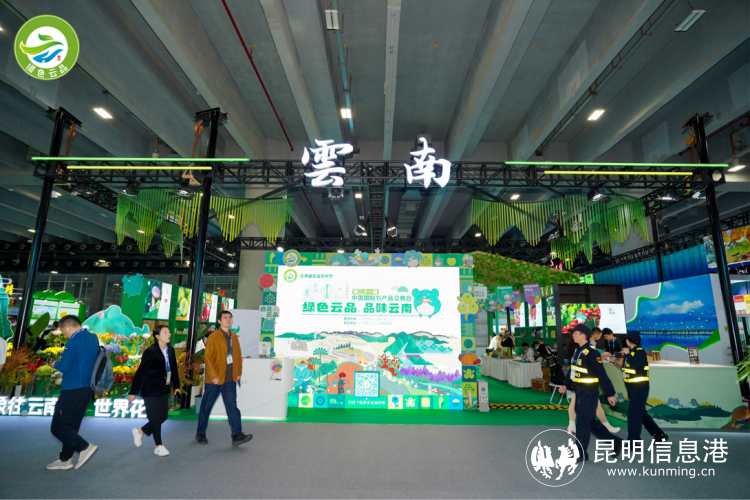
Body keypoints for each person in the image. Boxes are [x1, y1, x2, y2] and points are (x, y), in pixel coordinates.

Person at [559, 324, 622, 461]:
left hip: (589, 392)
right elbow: (573, 370)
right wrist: (566, 384)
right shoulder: (578, 350)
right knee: (590, 421)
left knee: (582, 421)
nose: (573, 335)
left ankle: (580, 453)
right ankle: (615, 442)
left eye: (575, 333)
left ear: (583, 335)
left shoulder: (592, 353)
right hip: (579, 390)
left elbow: (602, 374)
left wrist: (610, 393)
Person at [46, 315, 99, 470]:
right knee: (71, 426)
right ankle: (65, 459)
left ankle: (84, 447)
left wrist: (54, 363)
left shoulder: (73, 341)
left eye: (63, 331)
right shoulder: (92, 338)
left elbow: (65, 366)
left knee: (58, 427)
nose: (64, 334)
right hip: (86, 388)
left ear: (67, 327)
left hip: (72, 389)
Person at [195, 310, 253, 446]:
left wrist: (238, 373)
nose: (228, 319)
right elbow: (208, 358)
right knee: (206, 406)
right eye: (225, 317)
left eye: (230, 317)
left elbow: (237, 356)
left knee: (232, 406)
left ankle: (237, 434)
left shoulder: (234, 336)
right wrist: (213, 376)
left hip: (230, 379)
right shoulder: (213, 337)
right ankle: (200, 433)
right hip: (215, 380)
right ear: (219, 321)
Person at [128, 325, 181, 457]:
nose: (169, 334)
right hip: (150, 389)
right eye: (165, 332)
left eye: (169, 332)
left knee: (163, 416)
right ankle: (158, 446)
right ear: (157, 336)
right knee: (156, 418)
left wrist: (176, 386)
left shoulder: (170, 350)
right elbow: (140, 372)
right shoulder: (151, 351)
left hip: (163, 388)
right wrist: (133, 392)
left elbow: (173, 369)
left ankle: (140, 431)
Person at [613, 331, 668, 446]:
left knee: (633, 415)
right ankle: (660, 435)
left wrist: (628, 354)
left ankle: (634, 441)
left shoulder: (639, 351)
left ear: (629, 341)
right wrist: (621, 365)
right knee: (641, 414)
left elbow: (636, 364)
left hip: (639, 388)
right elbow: (632, 367)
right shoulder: (633, 352)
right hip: (632, 388)